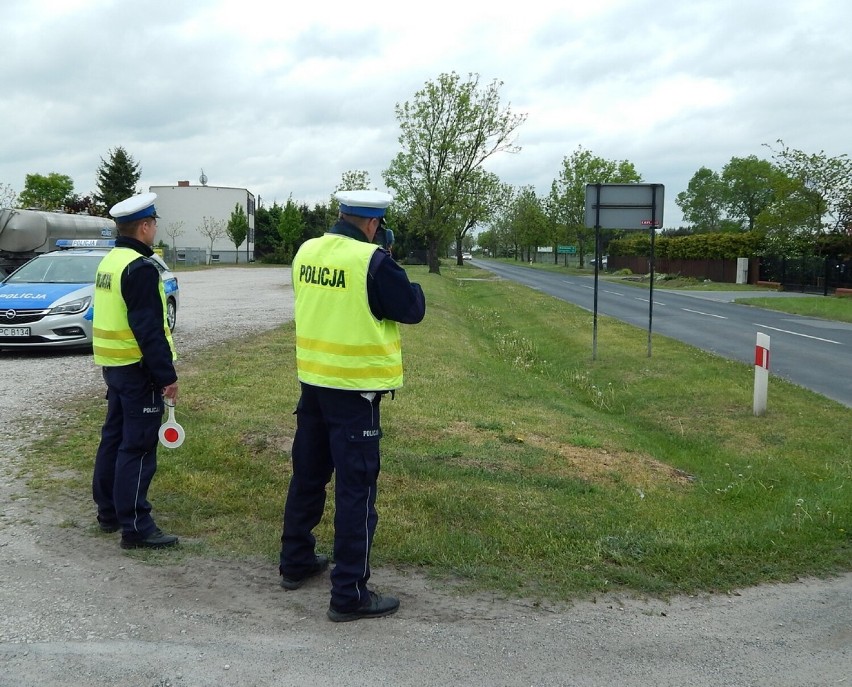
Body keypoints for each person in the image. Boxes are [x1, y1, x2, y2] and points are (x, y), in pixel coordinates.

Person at [278, 189, 426, 622]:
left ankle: (296, 562)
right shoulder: (373, 261)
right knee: (356, 490)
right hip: (355, 392)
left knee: (307, 476)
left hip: (313, 383)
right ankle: (349, 593)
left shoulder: (307, 250)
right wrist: (397, 267)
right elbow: (411, 308)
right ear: (374, 224)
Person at [91, 192, 180, 550]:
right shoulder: (140, 268)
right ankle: (136, 526)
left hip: (114, 366)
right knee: (139, 446)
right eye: (154, 223)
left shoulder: (111, 261)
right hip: (138, 369)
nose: (155, 228)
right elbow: (148, 329)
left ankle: (109, 512)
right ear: (144, 226)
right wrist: (166, 376)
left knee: (113, 438)